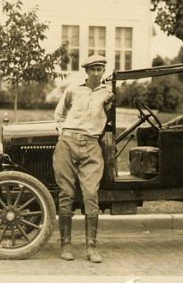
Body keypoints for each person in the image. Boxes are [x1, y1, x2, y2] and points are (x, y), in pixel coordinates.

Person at [52, 54, 114, 263]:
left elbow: (107, 116)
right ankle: (66, 245)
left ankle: (91, 247)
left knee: (90, 195)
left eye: (100, 69)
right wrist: (64, 132)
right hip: (67, 143)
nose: (97, 73)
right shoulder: (73, 89)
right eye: (93, 69)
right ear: (86, 71)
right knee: (67, 193)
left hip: (91, 145)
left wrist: (108, 104)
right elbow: (59, 114)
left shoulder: (108, 93)